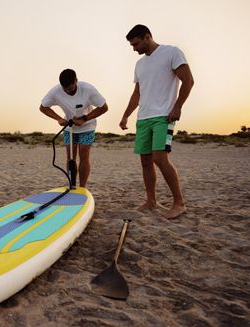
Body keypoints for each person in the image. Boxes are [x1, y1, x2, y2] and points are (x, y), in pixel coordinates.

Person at [120, 24, 194, 219]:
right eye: (131, 45)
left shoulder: (172, 52)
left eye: (135, 44)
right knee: (145, 161)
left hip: (163, 115)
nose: (134, 48)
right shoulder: (139, 65)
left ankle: (179, 202)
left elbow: (188, 81)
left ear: (147, 37)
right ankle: (151, 200)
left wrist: (177, 106)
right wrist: (126, 114)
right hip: (143, 117)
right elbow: (137, 93)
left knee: (159, 158)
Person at [40, 68, 108, 188]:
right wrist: (59, 119)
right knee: (71, 156)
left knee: (84, 154)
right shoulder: (55, 91)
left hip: (88, 126)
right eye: (65, 89)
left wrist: (85, 118)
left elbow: (104, 107)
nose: (68, 91)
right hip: (69, 127)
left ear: (76, 81)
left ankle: (82, 187)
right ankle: (72, 185)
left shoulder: (88, 89)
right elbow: (43, 107)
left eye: (70, 88)